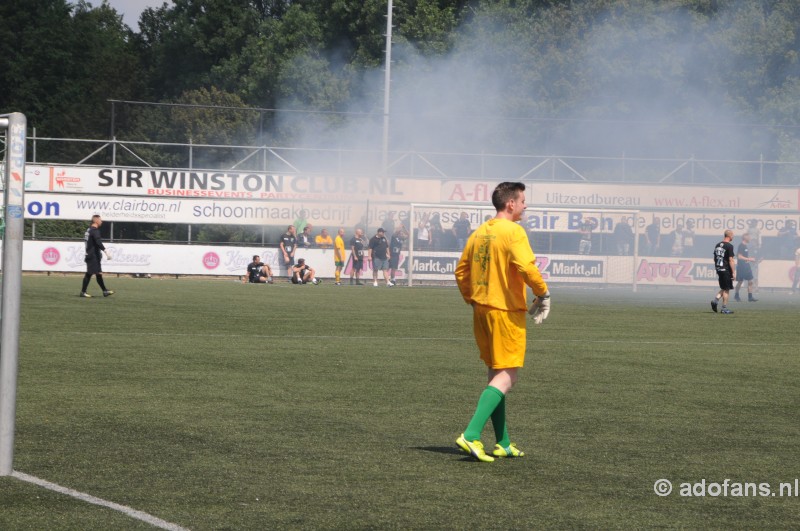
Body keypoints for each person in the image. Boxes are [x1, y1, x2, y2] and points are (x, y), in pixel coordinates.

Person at [454, 182, 550, 463]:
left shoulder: (480, 231)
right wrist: (542, 292)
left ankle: (503, 442)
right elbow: (526, 267)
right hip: (505, 311)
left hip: (482, 310)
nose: (525, 205)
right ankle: (471, 435)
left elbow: (461, 270)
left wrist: (472, 297)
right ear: (510, 204)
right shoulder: (514, 231)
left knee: (496, 374)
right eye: (522, 201)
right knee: (509, 375)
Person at [80, 214, 114, 298]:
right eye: (100, 220)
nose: (101, 221)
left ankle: (105, 291)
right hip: (93, 256)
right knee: (89, 273)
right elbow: (98, 242)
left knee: (98, 273)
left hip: (91, 255)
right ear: (96, 221)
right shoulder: (95, 231)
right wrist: (106, 251)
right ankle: (83, 292)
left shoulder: (88, 230)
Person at [711, 229, 736, 314]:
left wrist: (718, 267)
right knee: (726, 289)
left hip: (719, 268)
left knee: (724, 287)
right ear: (729, 236)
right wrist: (733, 272)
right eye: (733, 235)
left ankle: (715, 301)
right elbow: (731, 260)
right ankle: (724, 308)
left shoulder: (717, 245)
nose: (733, 237)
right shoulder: (729, 246)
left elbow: (714, 258)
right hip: (726, 269)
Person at [734, 233, 758, 302]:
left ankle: (750, 297)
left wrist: (748, 260)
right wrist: (749, 259)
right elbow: (739, 256)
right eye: (749, 237)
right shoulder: (741, 246)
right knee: (740, 282)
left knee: (750, 281)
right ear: (745, 238)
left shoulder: (745, 246)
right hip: (741, 267)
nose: (750, 238)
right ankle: (736, 295)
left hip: (746, 266)